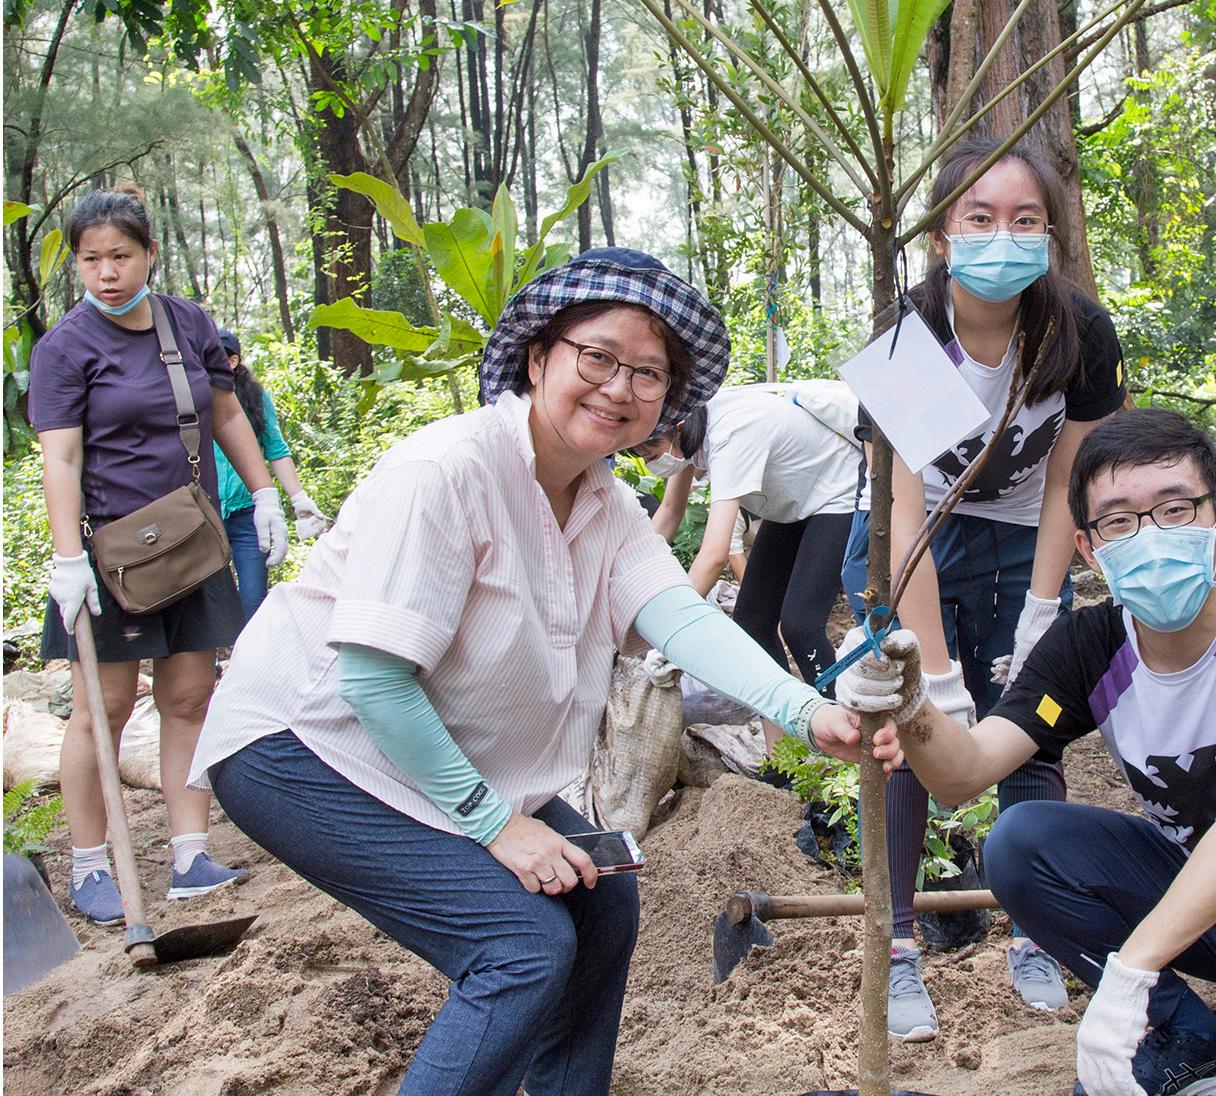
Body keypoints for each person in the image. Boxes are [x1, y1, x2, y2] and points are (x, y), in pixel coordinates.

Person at [186, 247, 904, 1096]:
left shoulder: (605, 502)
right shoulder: (447, 472)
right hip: (304, 749)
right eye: (597, 357)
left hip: (437, 746)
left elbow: (679, 618)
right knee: (519, 948)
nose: (619, 388)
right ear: (536, 358)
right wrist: (496, 826)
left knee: (604, 902)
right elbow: (374, 682)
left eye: (649, 374)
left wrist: (806, 710)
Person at [836, 408, 1216, 1096]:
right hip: (1199, 899)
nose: (1152, 536)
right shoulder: (1093, 645)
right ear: (1089, 549)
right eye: (1121, 522)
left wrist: (1129, 972)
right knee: (1024, 842)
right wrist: (911, 702)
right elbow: (965, 773)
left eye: (1175, 509)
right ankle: (1185, 1036)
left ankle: (1139, 1002)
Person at [839, 136, 1127, 1036]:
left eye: (1025, 219)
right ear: (941, 233)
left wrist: (1043, 611)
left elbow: (1067, 479)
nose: (1003, 236)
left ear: (1050, 233)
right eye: (979, 217)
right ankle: (895, 947)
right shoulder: (907, 333)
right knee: (910, 734)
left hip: (1025, 538)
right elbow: (904, 504)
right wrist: (932, 672)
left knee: (1027, 723)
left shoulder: (1078, 333)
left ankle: (1037, 931)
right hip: (914, 537)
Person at [29, 186, 288, 925]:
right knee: (103, 707)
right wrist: (66, 560)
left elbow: (226, 412)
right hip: (108, 553)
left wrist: (265, 493)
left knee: (189, 696)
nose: (107, 273)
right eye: (90, 260)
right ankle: (89, 865)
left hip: (189, 539)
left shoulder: (187, 322)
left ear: (149, 253)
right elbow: (60, 458)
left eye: (120, 255)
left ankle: (189, 856)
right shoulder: (64, 348)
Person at [634, 381, 860, 750]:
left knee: (800, 624)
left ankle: (849, 736)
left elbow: (714, 555)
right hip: (793, 504)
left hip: (839, 493)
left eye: (651, 451)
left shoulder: (729, 432)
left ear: (677, 426)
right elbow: (670, 513)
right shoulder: (689, 436)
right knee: (752, 622)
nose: (650, 462)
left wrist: (669, 631)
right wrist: (633, 580)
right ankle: (781, 758)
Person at [214, 329, 328, 621]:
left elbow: (276, 449)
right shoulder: (193, 396)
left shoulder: (255, 398)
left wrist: (298, 498)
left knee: (253, 600)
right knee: (211, 606)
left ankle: (251, 650)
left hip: (248, 514)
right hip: (206, 515)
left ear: (232, 361)